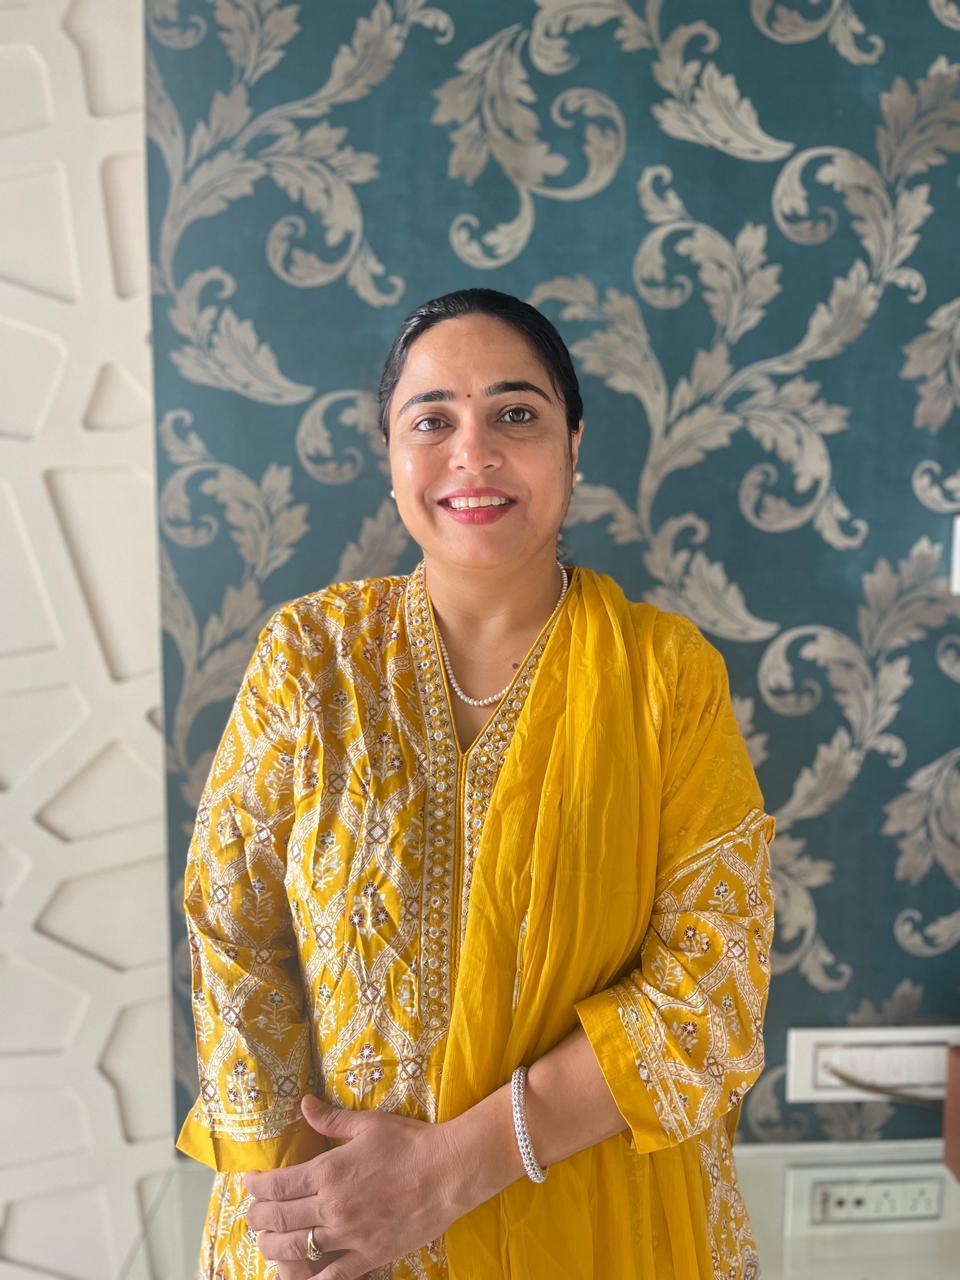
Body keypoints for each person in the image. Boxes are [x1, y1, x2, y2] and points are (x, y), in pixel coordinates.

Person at [175, 287, 776, 1279]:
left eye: (516, 413)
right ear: (390, 456)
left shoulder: (665, 678)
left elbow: (711, 994)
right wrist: (299, 1209)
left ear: (573, 444)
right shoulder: (309, 661)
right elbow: (231, 929)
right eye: (432, 420)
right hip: (335, 1236)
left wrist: (456, 1165)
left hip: (594, 1225)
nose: (474, 452)